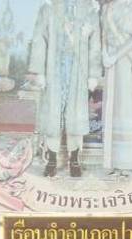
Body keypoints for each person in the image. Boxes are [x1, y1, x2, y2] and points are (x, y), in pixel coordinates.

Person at [26, 0, 102, 179]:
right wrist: (39, 71)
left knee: (75, 115)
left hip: (78, 71)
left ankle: (74, 160)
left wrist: (93, 74)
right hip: (54, 70)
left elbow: (95, 44)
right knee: (53, 115)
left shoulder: (89, 9)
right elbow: (39, 39)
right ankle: (52, 160)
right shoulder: (49, 7)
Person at [100, 0, 132, 175]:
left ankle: (127, 163)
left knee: (125, 109)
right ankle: (112, 161)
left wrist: (115, 56)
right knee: (111, 110)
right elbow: (104, 35)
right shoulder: (107, 7)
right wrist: (105, 54)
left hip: (127, 62)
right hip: (110, 64)